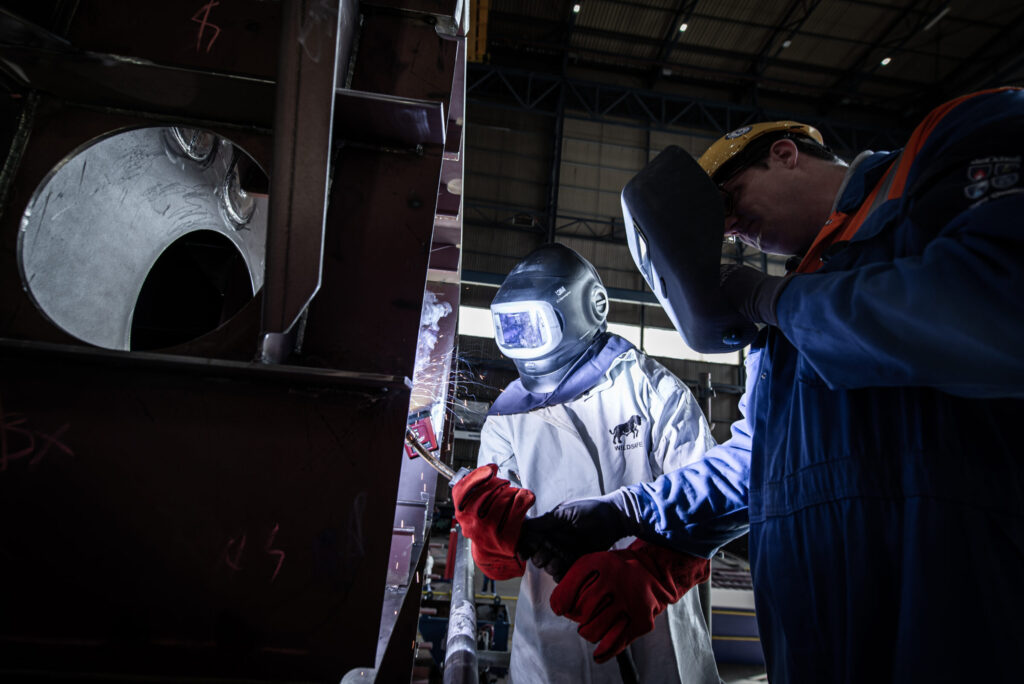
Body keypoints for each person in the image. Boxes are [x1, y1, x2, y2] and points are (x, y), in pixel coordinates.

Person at [519, 87, 1024, 683]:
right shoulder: (790, 312)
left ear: (784, 153)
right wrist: (626, 511)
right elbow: (758, 461)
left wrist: (774, 300)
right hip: (814, 640)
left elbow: (991, 308)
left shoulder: (948, 144)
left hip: (960, 612)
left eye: (730, 200)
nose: (733, 231)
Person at [451, 243, 721, 683]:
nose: (522, 340)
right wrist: (492, 537)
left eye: (533, 324)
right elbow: (503, 566)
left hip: (656, 637)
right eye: (512, 328)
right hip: (550, 648)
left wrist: (651, 573)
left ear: (590, 306)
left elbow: (708, 501)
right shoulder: (507, 416)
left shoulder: (648, 388)